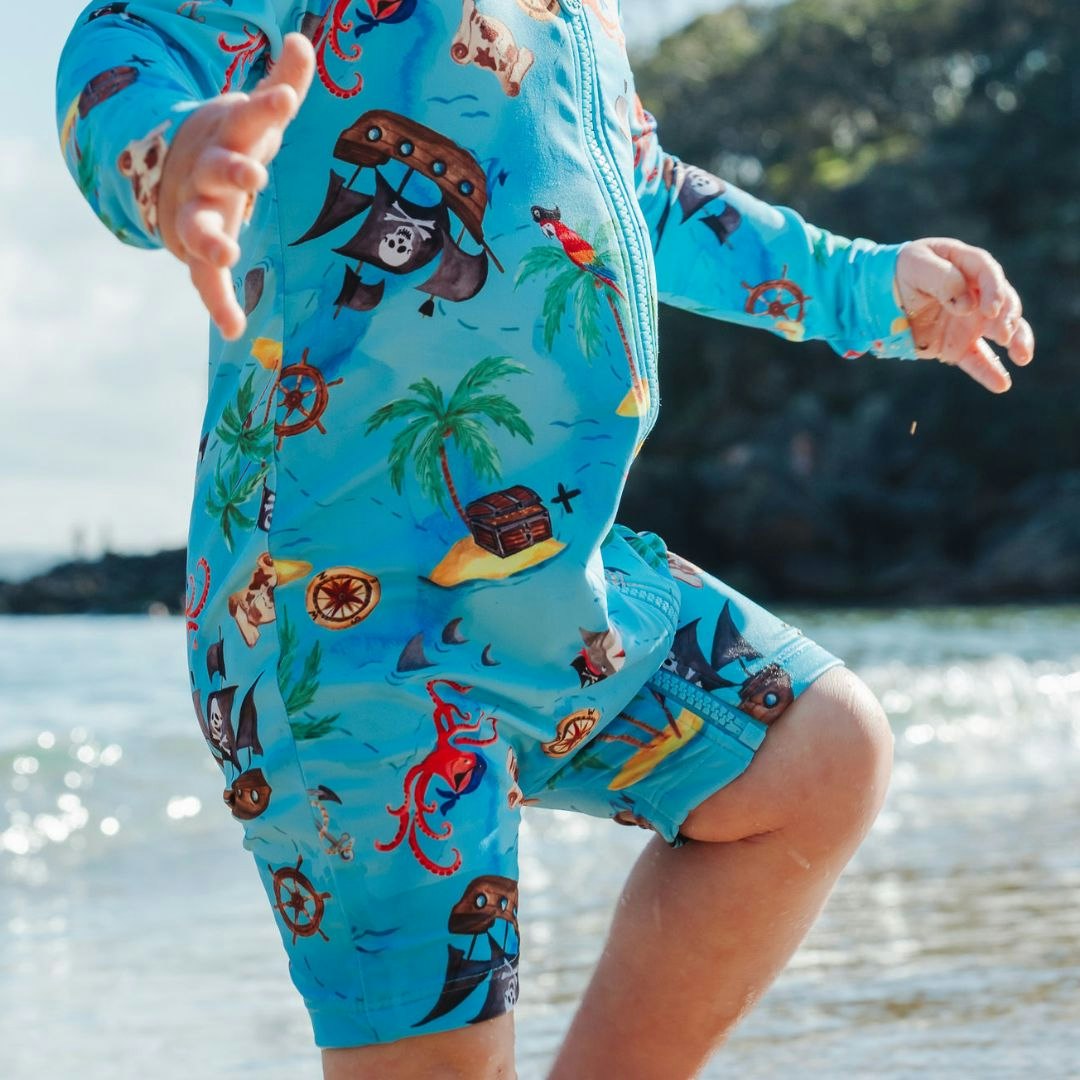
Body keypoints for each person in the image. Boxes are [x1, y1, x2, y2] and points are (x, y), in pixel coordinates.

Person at [56, 3, 1033, 1077]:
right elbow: (128, 40)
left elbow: (641, 190)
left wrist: (865, 289)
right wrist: (170, 156)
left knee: (821, 753)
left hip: (556, 591)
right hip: (339, 630)